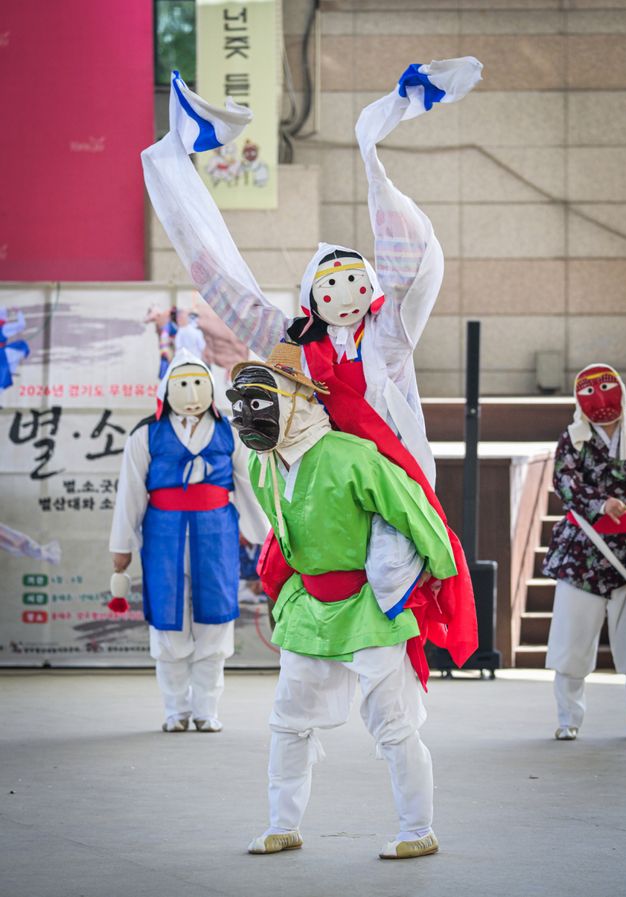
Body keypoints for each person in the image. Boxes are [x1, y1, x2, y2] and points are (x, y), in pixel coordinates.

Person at [142, 59, 482, 683]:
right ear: (311, 298)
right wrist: (174, 174)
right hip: (322, 478)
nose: (344, 293)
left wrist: (373, 157)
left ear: (371, 287)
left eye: (355, 281)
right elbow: (229, 289)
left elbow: (412, 269)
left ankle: (388, 655)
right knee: (308, 571)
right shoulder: (292, 344)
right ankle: (173, 160)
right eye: (330, 287)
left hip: (388, 473)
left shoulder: (388, 336)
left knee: (389, 571)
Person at [227, 342, 464, 860]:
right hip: (310, 608)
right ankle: (281, 823)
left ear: (295, 399)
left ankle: (417, 828)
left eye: (260, 400)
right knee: (288, 719)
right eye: (242, 402)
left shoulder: (350, 456)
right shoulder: (264, 464)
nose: (248, 414)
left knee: (394, 721)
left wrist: (442, 577)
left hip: (370, 606)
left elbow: (413, 509)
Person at [109, 348, 266, 733]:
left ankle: (206, 710)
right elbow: (130, 491)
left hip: (217, 532)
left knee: (215, 620)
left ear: (211, 389)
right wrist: (122, 546)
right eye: (184, 384)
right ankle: (175, 710)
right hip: (163, 533)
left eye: (199, 383)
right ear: (167, 389)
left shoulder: (231, 432)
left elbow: (249, 487)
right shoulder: (147, 434)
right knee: (168, 620)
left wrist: (266, 539)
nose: (192, 393)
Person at [543, 363, 626, 740]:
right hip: (583, 554)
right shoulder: (573, 438)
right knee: (572, 643)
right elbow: (564, 481)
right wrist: (601, 504)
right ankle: (568, 719)